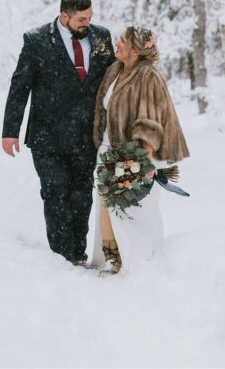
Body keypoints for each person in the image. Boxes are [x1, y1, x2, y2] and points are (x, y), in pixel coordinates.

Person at [0, 0, 115, 266]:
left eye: (90, 17)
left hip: (86, 135)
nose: (87, 22)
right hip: (47, 136)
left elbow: (113, 80)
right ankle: (62, 258)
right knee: (54, 192)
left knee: (81, 195)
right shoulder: (37, 40)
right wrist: (10, 131)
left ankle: (78, 253)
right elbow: (20, 86)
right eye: (81, 18)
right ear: (64, 15)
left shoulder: (101, 37)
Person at [90, 26, 190, 275]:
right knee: (106, 201)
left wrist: (143, 159)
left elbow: (150, 119)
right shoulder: (115, 70)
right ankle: (112, 255)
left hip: (135, 151)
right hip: (108, 148)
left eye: (123, 40)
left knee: (131, 208)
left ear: (135, 49)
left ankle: (140, 261)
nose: (118, 43)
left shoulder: (148, 76)